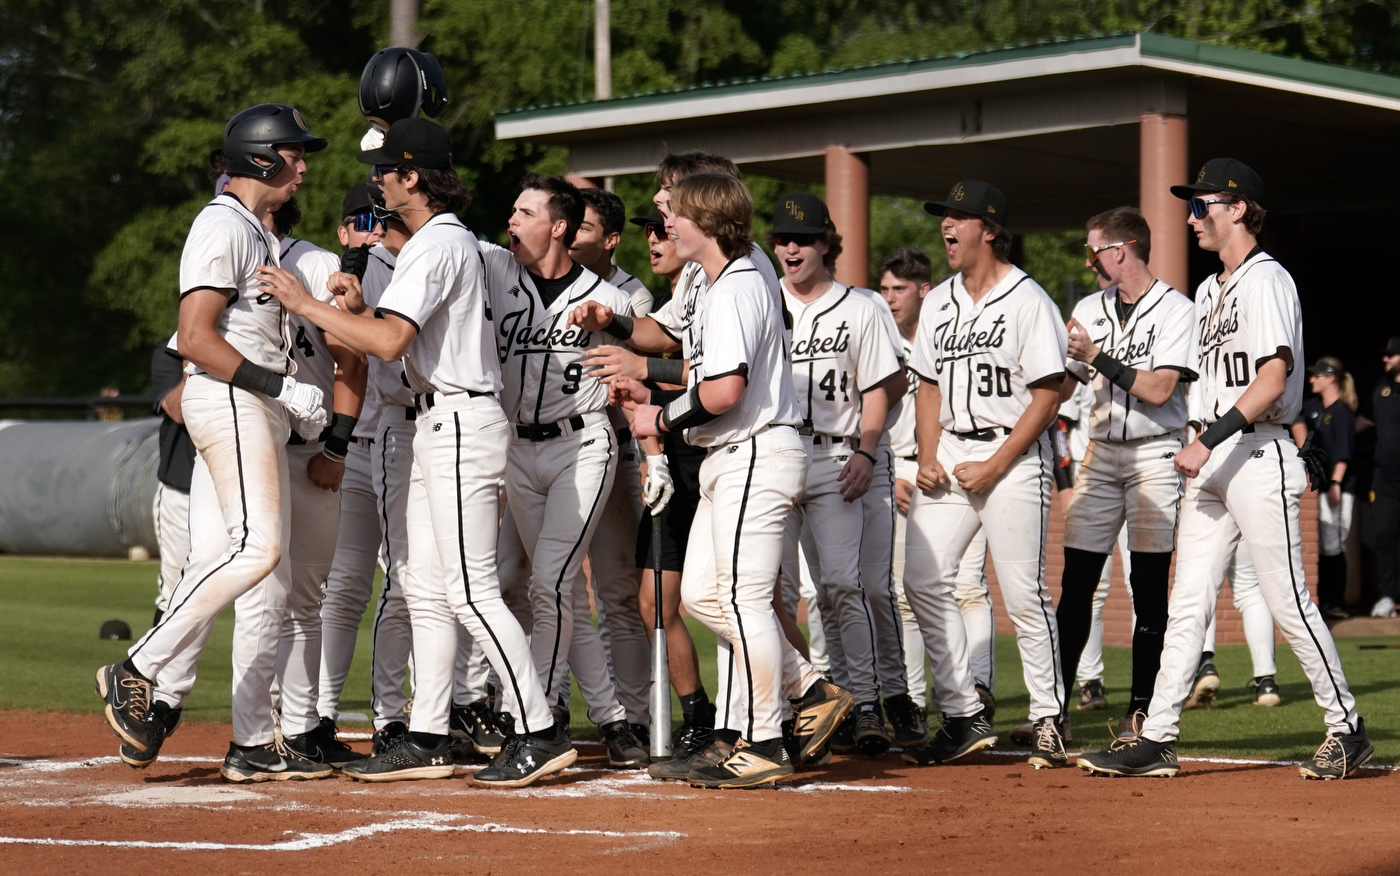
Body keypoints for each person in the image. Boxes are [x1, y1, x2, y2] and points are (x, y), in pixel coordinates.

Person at [260, 117, 574, 788]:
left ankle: (538, 728)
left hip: (459, 419)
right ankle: (427, 735)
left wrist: (305, 304)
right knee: (426, 590)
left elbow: (387, 344)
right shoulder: (442, 240)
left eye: (387, 171)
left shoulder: (437, 241)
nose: (378, 181)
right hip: (440, 419)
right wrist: (355, 308)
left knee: (470, 590)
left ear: (413, 176)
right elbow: (388, 330)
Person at [1077, 158, 1370, 780]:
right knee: (1187, 604)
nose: (1191, 218)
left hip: (1256, 452)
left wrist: (1206, 440)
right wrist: (1199, 441)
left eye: (1201, 205)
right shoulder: (1210, 290)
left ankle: (1347, 727)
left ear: (1238, 209)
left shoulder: (1268, 279)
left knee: (1287, 600)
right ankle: (1158, 737)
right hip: (1212, 458)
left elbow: (1273, 379)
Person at [96, 103, 333, 782]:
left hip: (251, 404)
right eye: (294, 152)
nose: (303, 166)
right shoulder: (222, 224)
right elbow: (195, 338)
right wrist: (282, 387)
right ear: (262, 156)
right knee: (256, 549)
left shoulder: (253, 231)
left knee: (247, 559)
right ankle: (139, 666)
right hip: (232, 398)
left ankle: (247, 737)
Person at [900, 179, 1070, 770]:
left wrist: (996, 465)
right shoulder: (940, 301)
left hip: (1013, 457)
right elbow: (927, 385)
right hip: (951, 451)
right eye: (944, 216)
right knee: (921, 580)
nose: (946, 225)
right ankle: (963, 712)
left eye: (959, 216)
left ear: (990, 230)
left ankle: (1048, 718)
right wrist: (927, 456)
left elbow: (1048, 396)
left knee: (1024, 595)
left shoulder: (1029, 299)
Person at [480, 173, 646, 767]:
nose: (512, 220)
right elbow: (438, 235)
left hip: (582, 446)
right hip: (517, 451)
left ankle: (538, 722)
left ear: (558, 227)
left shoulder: (610, 299)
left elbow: (640, 376)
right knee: (561, 590)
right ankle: (611, 718)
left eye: (525, 213)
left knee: (549, 585)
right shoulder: (498, 271)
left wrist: (651, 454)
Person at [767, 192, 915, 755]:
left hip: (839, 457)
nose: (791, 247)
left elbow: (883, 385)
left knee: (844, 585)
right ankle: (804, 707)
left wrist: (867, 452)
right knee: (783, 592)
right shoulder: (762, 299)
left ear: (826, 243)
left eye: (803, 238)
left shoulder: (862, 306)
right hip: (778, 455)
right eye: (782, 237)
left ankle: (871, 701)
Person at [1055, 206, 1194, 740]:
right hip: (1100, 452)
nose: (1088, 262)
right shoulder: (1088, 307)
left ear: (1121, 249)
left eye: (1093, 251)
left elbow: (1160, 389)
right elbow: (1064, 386)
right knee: (1077, 582)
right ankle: (1054, 712)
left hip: (1155, 453)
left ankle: (1140, 710)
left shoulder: (1176, 308)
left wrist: (1097, 355)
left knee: (1148, 585)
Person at [1291, 357, 1358, 619]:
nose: (1312, 380)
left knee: (1333, 543)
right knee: (1320, 544)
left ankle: (1336, 603)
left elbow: (1343, 453)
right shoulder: (1312, 407)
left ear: (1331, 378)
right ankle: (1323, 601)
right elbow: (1294, 417)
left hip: (1336, 486)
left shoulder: (1343, 412)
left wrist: (1336, 484)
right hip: (1318, 486)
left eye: (1317, 375)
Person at [149, 340, 195, 632]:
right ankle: (151, 662)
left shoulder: (252, 344)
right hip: (183, 489)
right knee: (176, 593)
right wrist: (197, 361)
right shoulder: (171, 352)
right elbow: (177, 410)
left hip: (242, 489)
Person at [1364, 337, 1400, 618]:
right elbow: (1365, 420)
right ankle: (1388, 596)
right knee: (1384, 535)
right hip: (1385, 478)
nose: (1385, 359)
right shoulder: (1381, 388)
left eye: (1391, 355)